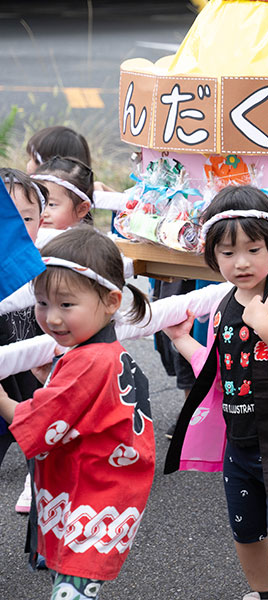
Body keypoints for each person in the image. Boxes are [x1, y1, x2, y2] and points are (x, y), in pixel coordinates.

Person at [163, 185, 268, 600]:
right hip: (238, 439)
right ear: (212, 257)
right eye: (227, 253)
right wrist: (183, 341)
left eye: (253, 249)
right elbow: (220, 366)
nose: (241, 262)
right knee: (245, 528)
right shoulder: (225, 303)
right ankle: (264, 593)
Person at [0, 226, 155, 599]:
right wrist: (56, 376)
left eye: (66, 305)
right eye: (42, 303)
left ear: (111, 301)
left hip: (91, 499)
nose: (52, 318)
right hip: (109, 493)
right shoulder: (106, 354)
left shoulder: (87, 363)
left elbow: (34, 422)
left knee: (71, 590)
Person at [0, 169, 47, 516]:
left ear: (42, 219)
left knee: (45, 445)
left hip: (39, 378)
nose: (17, 228)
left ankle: (41, 489)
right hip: (3, 383)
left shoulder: (47, 261)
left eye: (26, 218)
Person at [32, 156, 95, 229]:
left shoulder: (82, 240)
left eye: (52, 205)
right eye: (39, 204)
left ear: (81, 209)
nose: (42, 213)